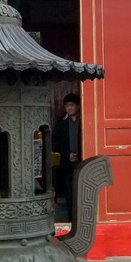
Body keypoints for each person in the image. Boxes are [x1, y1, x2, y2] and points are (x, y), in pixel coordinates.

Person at [53, 92, 82, 223]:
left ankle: (83, 219)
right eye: (67, 106)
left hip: (83, 162)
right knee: (69, 194)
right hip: (67, 164)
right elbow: (55, 143)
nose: (69, 108)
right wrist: (67, 155)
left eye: (72, 105)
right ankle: (72, 219)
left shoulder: (85, 121)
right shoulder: (61, 123)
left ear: (78, 106)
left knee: (83, 193)